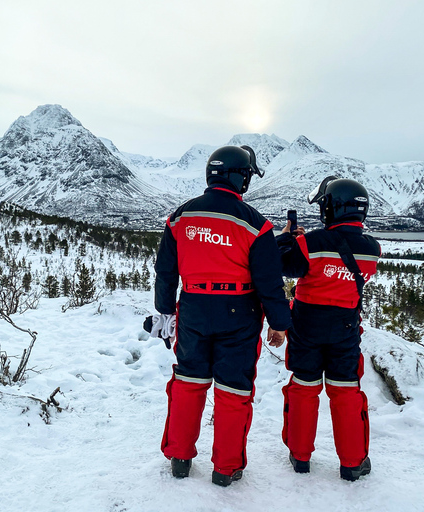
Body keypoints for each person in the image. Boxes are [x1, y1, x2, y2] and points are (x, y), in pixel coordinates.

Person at [151, 145, 292, 486]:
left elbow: (165, 272)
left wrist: (165, 312)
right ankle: (226, 468)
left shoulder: (180, 217)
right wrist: (279, 323)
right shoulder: (256, 226)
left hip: (194, 309)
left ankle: (180, 458)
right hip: (239, 313)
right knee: (234, 391)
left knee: (188, 382)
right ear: (241, 177)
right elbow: (269, 282)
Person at [272, 176, 381, 481]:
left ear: (330, 208)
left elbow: (284, 265)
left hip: (307, 323)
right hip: (345, 327)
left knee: (304, 389)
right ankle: (352, 462)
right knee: (346, 392)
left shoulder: (312, 243)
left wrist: (287, 238)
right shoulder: (372, 249)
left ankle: (300, 455)